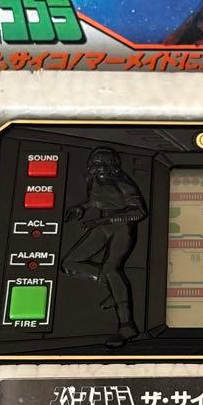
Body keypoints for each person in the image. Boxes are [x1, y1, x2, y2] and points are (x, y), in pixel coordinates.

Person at [61, 148, 146, 346]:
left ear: (111, 166)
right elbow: (97, 200)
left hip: (121, 228)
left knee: (111, 269)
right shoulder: (94, 180)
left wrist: (101, 221)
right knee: (69, 263)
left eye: (102, 164)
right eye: (95, 164)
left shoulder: (124, 183)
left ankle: (126, 326)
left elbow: (139, 212)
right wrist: (82, 207)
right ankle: (116, 290)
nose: (98, 168)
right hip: (103, 226)